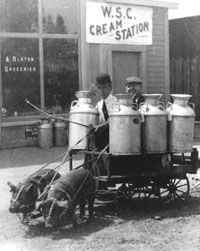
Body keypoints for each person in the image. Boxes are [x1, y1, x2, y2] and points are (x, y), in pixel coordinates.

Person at [94, 73, 117, 150]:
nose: (102, 91)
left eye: (104, 87)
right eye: (99, 88)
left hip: (116, 137)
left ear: (110, 87)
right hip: (103, 140)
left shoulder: (116, 102)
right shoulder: (98, 105)